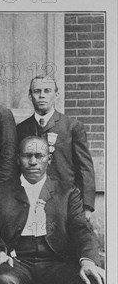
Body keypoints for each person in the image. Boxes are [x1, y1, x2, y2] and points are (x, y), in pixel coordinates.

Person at [0, 136, 104, 284]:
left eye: (39, 156)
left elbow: (81, 229)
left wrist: (88, 261)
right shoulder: (0, 192)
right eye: (27, 156)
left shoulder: (67, 192)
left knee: (98, 283)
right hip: (18, 261)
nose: (33, 161)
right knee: (4, 282)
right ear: (17, 159)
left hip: (56, 263)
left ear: (48, 159)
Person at [17, 75, 96, 220]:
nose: (42, 96)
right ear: (30, 95)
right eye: (37, 91)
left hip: (64, 201)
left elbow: (85, 167)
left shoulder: (72, 127)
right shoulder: (21, 129)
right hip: (31, 200)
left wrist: (86, 207)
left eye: (47, 91)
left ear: (56, 94)